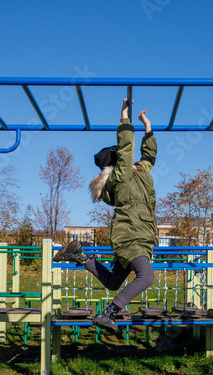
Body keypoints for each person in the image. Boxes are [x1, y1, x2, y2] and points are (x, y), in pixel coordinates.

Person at [53, 98, 157, 333]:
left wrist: (147, 126)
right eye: (124, 156)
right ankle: (108, 313)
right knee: (147, 276)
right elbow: (127, 145)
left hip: (140, 235)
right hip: (130, 236)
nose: (130, 158)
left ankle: (80, 255)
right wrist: (124, 115)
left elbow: (149, 156)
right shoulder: (121, 177)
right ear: (119, 161)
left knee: (113, 282)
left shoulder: (141, 171)